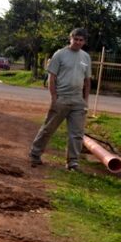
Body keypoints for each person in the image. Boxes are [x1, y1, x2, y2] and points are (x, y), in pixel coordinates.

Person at [29, 28, 92, 171]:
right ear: (70, 39)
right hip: (61, 99)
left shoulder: (85, 57)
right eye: (75, 39)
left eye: (81, 40)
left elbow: (87, 81)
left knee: (76, 134)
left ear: (84, 42)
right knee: (48, 128)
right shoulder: (60, 54)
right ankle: (35, 154)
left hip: (78, 101)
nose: (78, 42)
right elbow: (52, 78)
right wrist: (54, 98)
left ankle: (73, 163)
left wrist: (85, 100)